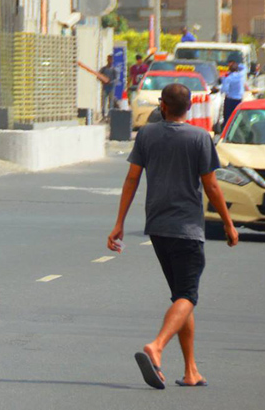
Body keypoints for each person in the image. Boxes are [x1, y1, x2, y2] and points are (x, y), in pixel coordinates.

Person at [107, 83, 238, 390]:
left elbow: (131, 179)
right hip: (188, 231)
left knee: (181, 296)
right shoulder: (199, 138)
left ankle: (191, 370)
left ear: (162, 106)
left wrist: (119, 223)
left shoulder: (148, 135)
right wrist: (230, 224)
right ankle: (157, 346)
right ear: (190, 108)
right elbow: (212, 186)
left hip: (157, 228)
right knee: (188, 296)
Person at [221, 60, 246, 129]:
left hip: (230, 99)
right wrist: (237, 65)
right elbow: (244, 66)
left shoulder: (228, 78)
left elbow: (224, 89)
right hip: (239, 99)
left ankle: (227, 130)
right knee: (237, 116)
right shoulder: (241, 75)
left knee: (228, 117)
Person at [99, 54, 119, 120]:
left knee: (110, 103)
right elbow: (98, 76)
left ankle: (110, 116)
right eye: (109, 59)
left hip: (111, 88)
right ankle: (103, 115)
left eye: (111, 59)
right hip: (105, 87)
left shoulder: (114, 70)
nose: (110, 61)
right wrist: (103, 80)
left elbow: (116, 79)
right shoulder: (103, 69)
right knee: (103, 102)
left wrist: (111, 82)